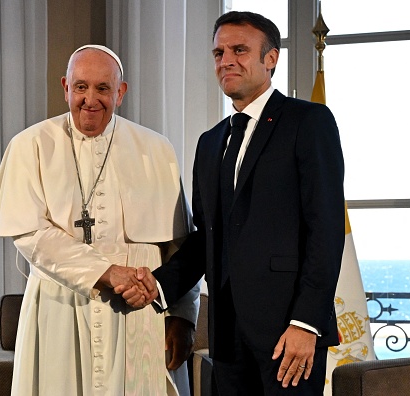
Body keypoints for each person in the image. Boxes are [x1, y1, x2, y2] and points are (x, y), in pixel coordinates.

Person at [124, 11, 345, 395]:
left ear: (271, 58)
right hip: (226, 336)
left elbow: (325, 230)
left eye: (239, 50)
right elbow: (205, 238)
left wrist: (306, 324)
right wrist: (157, 287)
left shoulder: (309, 122)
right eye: (218, 52)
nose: (226, 60)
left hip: (288, 335)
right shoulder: (209, 143)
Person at [0, 44, 200, 395]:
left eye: (103, 88)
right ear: (66, 86)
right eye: (81, 87)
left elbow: (180, 244)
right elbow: (29, 235)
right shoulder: (30, 145)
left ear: (121, 92)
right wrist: (107, 272)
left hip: (138, 316)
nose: (90, 99)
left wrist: (183, 316)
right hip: (61, 310)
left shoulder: (156, 149)